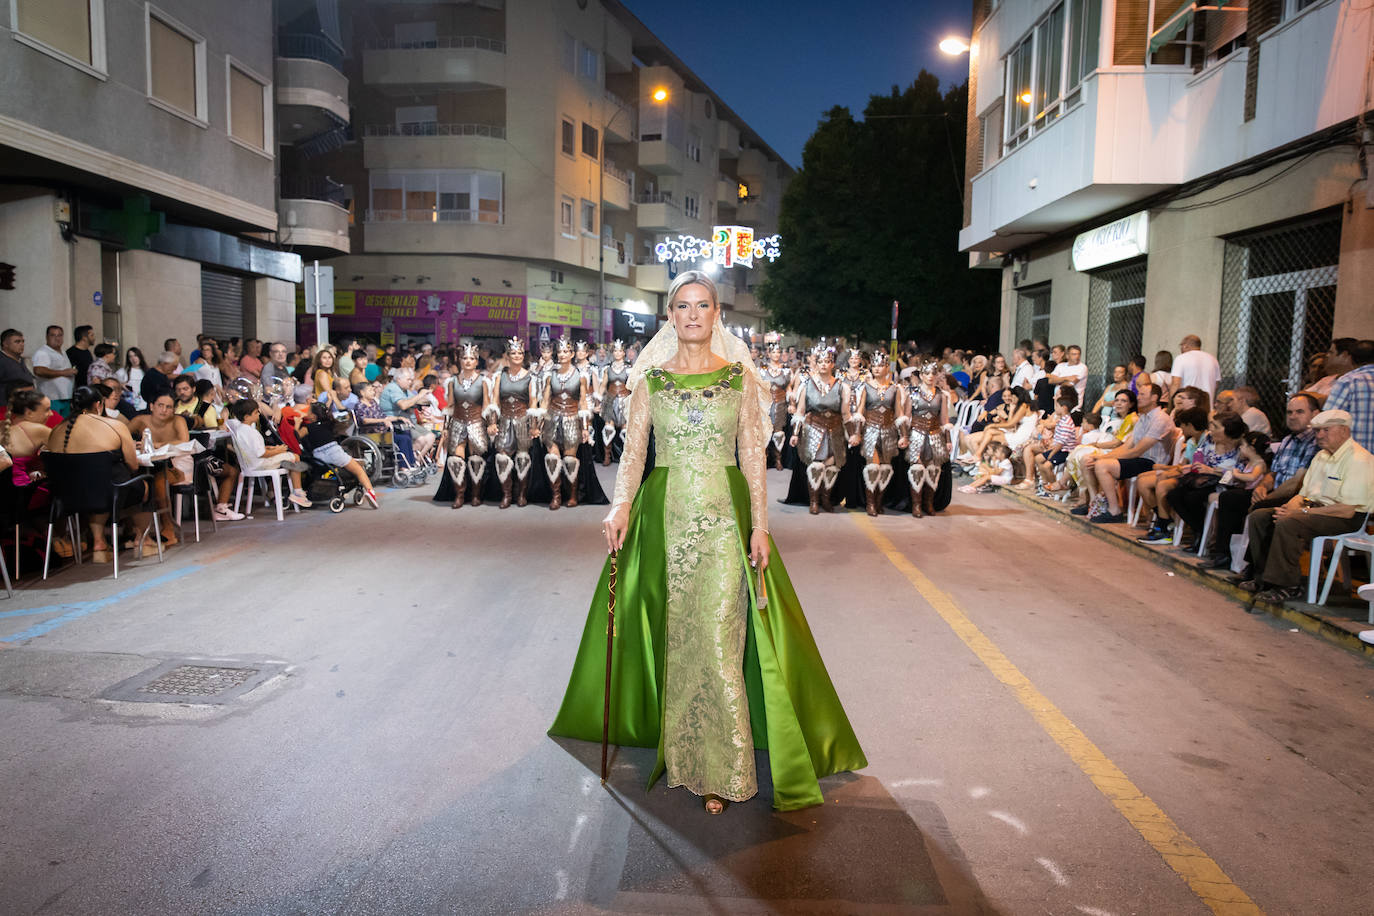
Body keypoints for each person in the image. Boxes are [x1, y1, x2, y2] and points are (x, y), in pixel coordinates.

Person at [549, 269, 866, 814]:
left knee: (719, 639)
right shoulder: (651, 381)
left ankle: (721, 767)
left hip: (723, 522)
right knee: (678, 638)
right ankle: (682, 756)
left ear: (717, 315)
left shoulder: (738, 378)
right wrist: (620, 505)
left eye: (702, 305)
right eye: (683, 306)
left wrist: (760, 525)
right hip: (663, 521)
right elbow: (633, 453)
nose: (693, 314)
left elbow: (752, 457)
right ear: (670, 317)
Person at [1241, 409, 1374, 603]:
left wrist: (1300, 511)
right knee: (1260, 516)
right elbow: (1303, 494)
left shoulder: (1359, 460)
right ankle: (1263, 579)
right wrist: (1289, 507)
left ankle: (1288, 585)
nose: (1319, 435)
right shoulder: (1321, 456)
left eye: (1326, 430)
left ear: (1344, 431)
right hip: (1313, 509)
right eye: (1317, 431)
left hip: (1344, 518)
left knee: (1290, 522)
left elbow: (1347, 509)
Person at [45, 386, 158, 563]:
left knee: (100, 485)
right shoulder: (114, 426)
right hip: (107, 494)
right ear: (98, 405)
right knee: (143, 485)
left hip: (66, 498)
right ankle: (144, 540)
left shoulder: (55, 431)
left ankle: (99, 543)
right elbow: (133, 465)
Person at [1082, 382, 1175, 523]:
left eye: (1142, 394)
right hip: (1140, 459)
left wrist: (1102, 460)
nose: (1138, 397)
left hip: (1152, 463)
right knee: (1089, 459)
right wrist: (1101, 456)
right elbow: (1127, 446)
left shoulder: (1160, 419)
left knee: (1102, 466)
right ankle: (1094, 504)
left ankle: (1114, 511)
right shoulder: (1143, 418)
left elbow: (1137, 450)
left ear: (1154, 398)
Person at [790, 344, 859, 514]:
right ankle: (814, 500)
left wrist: (852, 434)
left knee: (831, 465)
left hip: (835, 430)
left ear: (832, 364)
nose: (823, 365)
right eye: (820, 362)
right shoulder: (807, 384)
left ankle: (826, 498)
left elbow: (846, 413)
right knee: (815, 465)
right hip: (813, 427)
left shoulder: (842, 386)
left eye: (827, 362)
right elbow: (800, 411)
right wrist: (795, 434)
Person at [224, 399, 312, 509]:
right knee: (294, 456)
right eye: (256, 412)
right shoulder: (252, 432)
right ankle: (297, 492)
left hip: (250, 464)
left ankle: (294, 488)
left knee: (289, 458)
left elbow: (252, 449)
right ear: (247, 417)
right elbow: (262, 454)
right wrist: (279, 450)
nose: (258, 414)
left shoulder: (240, 430)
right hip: (260, 463)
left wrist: (272, 448)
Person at [438, 344, 490, 509]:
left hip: (477, 422)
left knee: (476, 459)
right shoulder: (452, 381)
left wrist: (491, 424)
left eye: (471, 358)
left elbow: (487, 405)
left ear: (476, 361)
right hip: (458, 422)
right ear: (460, 360)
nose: (468, 361)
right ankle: (460, 495)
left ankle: (475, 495)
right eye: (465, 358)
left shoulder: (484, 381)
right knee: (456, 460)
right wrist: (446, 427)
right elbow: (450, 406)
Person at [490, 338, 540, 508]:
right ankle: (507, 495)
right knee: (502, 457)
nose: (517, 356)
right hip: (505, 420)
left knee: (523, 458)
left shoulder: (531, 377)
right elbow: (495, 400)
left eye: (520, 353)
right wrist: (492, 422)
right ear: (508, 356)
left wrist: (534, 425)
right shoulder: (500, 376)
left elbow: (533, 402)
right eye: (513, 353)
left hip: (523, 420)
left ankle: (521, 494)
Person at [857, 350, 906, 517]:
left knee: (885, 468)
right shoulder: (865, 386)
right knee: (873, 466)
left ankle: (879, 501)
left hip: (889, 431)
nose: (876, 369)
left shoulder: (895, 388)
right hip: (870, 430)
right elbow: (860, 411)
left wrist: (904, 435)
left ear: (887, 368)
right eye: (874, 366)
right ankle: (870, 503)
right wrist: (856, 433)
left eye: (880, 365)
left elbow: (899, 412)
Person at [302, 402, 378, 507]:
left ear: (313, 416)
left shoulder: (307, 427)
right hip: (334, 452)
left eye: (308, 411)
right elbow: (344, 423)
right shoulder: (329, 424)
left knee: (343, 463)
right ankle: (370, 492)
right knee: (359, 470)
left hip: (318, 456)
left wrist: (297, 423)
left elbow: (297, 435)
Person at [903, 359, 948, 517]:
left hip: (935, 434)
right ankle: (916, 504)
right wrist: (905, 436)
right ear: (921, 375)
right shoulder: (913, 393)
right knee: (917, 469)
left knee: (933, 470)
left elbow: (944, 420)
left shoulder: (941, 395)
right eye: (927, 373)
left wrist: (948, 440)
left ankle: (929, 503)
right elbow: (907, 417)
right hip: (916, 433)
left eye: (933, 373)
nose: (930, 376)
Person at [1323, 339, 1374, 451]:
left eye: (1331, 352)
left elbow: (1328, 418)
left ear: (1350, 358)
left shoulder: (1349, 381)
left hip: (1355, 456)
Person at [599, 340, 632, 467]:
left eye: (620, 351)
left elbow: (633, 386)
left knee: (625, 431)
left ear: (624, 353)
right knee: (608, 429)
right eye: (615, 351)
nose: (617, 353)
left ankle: (626, 458)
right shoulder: (607, 368)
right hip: (610, 400)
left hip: (624, 400)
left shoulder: (629, 368)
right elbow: (603, 385)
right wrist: (598, 399)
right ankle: (607, 456)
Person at [32, 325, 77, 417]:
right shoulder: (43, 352)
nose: (57, 338)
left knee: (63, 424)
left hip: (65, 397)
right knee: (53, 423)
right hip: (51, 398)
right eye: (53, 335)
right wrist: (64, 373)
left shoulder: (63, 352)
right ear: (47, 337)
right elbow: (39, 371)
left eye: (60, 335)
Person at [1169, 335, 1221, 402]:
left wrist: (1172, 404)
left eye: (1181, 345)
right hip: (1207, 404)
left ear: (1185, 346)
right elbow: (1216, 385)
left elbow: (1176, 384)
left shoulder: (1181, 358)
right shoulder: (1213, 359)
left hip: (1187, 404)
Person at [0, 329, 35, 403]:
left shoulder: (21, 359)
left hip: (24, 404)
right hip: (6, 406)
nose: (22, 344)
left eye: (23, 341)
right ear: (5, 344)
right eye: (17, 342)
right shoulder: (2, 361)